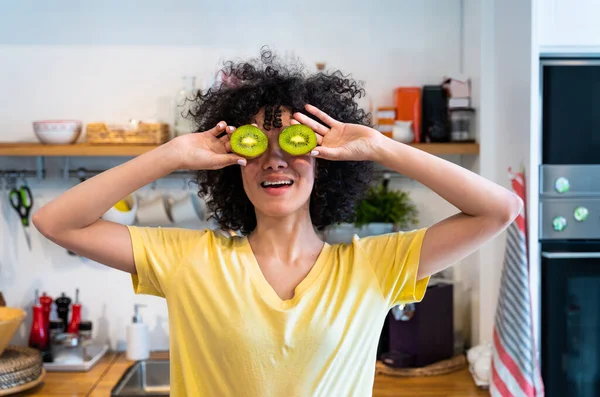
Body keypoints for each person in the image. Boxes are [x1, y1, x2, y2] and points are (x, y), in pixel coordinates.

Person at [33, 48, 522, 396]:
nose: (273, 161)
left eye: (292, 144)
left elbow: (500, 209)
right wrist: (172, 154)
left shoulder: (375, 266)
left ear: (325, 158)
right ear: (233, 164)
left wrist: (379, 146)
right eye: (254, 147)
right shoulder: (188, 260)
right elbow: (57, 223)